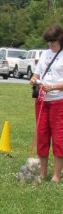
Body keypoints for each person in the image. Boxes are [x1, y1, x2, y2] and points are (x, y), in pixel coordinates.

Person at [30, 24, 63, 182]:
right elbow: (37, 73)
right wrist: (34, 79)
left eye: (53, 41)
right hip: (42, 100)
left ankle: (56, 175)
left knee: (59, 137)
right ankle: (42, 173)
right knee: (42, 135)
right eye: (49, 41)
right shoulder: (44, 54)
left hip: (59, 101)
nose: (51, 44)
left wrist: (54, 86)